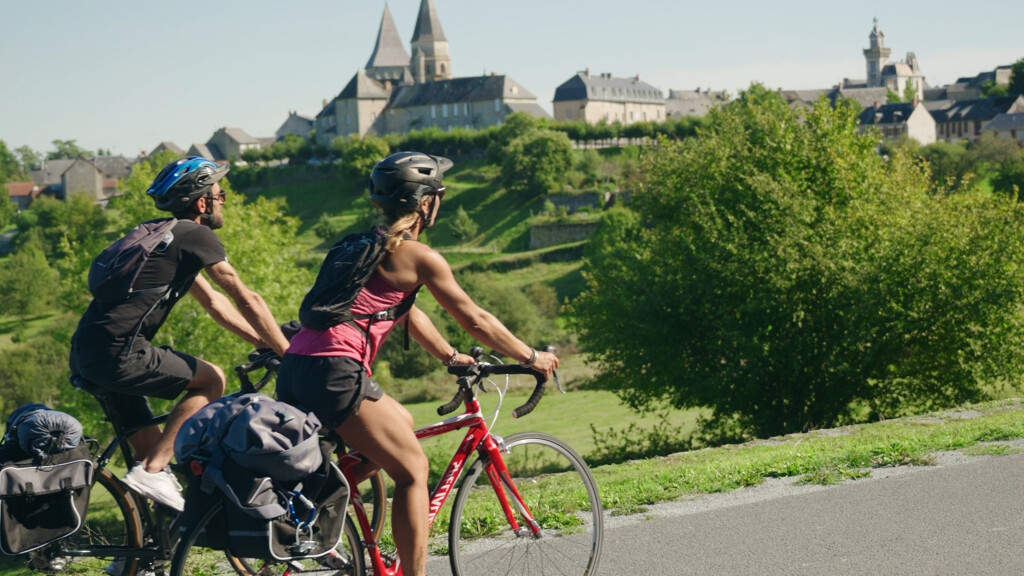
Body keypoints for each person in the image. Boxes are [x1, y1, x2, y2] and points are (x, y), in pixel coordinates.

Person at [276, 151, 558, 576]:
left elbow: (402, 310)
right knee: (413, 470)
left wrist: (448, 355)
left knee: (401, 423)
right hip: (335, 370)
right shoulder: (418, 255)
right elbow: (475, 318)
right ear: (426, 203)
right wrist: (532, 357)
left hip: (297, 366)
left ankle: (330, 510)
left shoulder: (358, 246)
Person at [69, 156, 289, 513]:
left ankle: (137, 554)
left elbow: (216, 304)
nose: (223, 201)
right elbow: (243, 296)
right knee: (211, 380)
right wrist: (288, 353)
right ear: (202, 202)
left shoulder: (165, 237)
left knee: (148, 452)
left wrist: (261, 342)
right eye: (220, 195)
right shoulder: (196, 234)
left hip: (87, 351)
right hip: (120, 353)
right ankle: (155, 470)